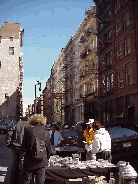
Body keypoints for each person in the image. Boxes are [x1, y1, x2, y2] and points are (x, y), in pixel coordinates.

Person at [21, 114, 51, 184]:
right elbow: (49, 148)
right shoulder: (46, 132)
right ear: (43, 122)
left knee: (26, 180)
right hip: (42, 160)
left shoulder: (28, 130)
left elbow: (23, 145)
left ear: (32, 121)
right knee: (40, 180)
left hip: (29, 159)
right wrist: (48, 157)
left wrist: (25, 152)